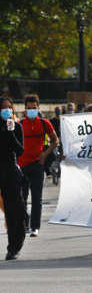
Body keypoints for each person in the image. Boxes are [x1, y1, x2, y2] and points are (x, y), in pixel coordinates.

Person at [18, 95, 59, 237]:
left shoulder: (44, 123)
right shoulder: (19, 124)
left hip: (37, 164)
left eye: (34, 108)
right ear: (25, 109)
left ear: (38, 108)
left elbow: (55, 140)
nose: (31, 110)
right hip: (21, 166)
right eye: (29, 108)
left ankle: (35, 227)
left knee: (37, 198)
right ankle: (25, 223)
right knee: (21, 197)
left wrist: (45, 154)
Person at [0, 96, 26, 260]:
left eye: (8, 107)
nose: (6, 110)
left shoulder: (15, 127)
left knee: (14, 210)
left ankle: (14, 246)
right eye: (3, 108)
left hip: (11, 171)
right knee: (9, 210)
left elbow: (20, 150)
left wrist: (10, 132)